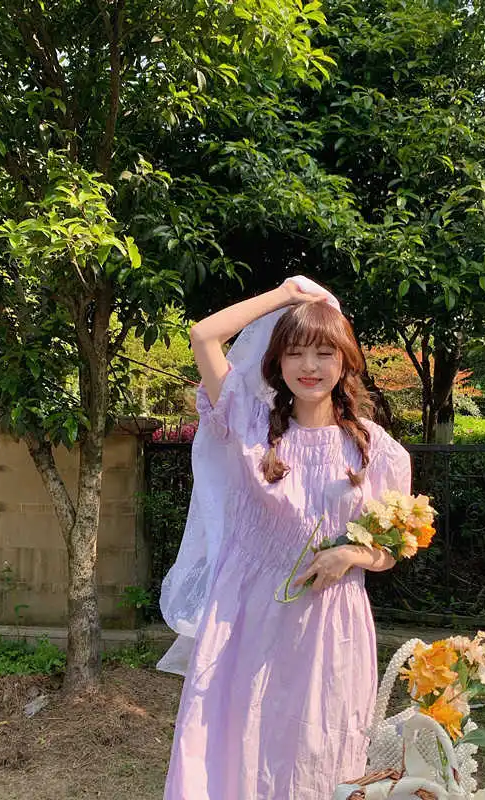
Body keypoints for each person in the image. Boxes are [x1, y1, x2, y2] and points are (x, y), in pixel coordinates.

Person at [160, 277, 412, 800]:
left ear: (345, 360)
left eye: (323, 352)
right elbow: (204, 335)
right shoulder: (250, 425)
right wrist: (284, 295)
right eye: (295, 352)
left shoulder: (376, 450)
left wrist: (351, 554)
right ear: (277, 361)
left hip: (330, 622)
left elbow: (393, 547)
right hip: (244, 617)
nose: (309, 366)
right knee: (236, 740)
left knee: (320, 748)